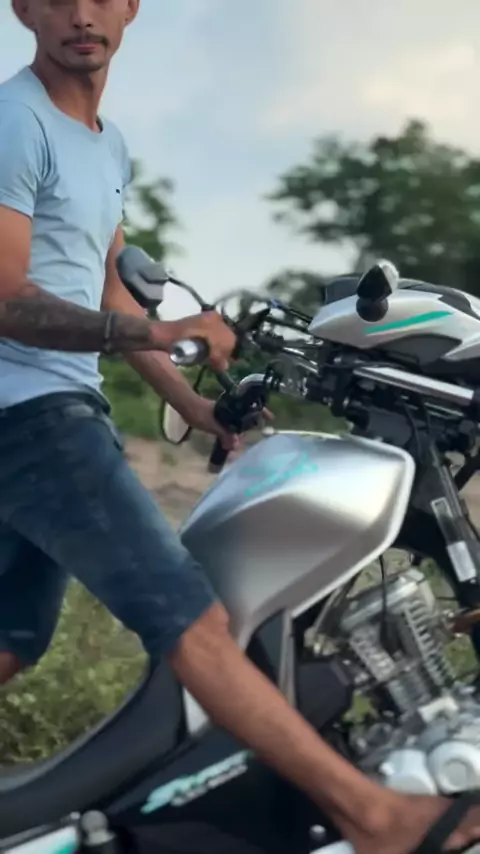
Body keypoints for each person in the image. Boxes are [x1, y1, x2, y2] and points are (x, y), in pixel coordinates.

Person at [0, 3, 479, 853]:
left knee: (14, 636)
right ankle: (374, 818)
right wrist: (159, 329)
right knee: (192, 619)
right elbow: (8, 299)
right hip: (28, 412)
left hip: (53, 402)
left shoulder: (105, 144)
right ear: (20, 8)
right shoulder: (14, 121)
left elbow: (107, 287)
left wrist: (195, 407)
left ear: (132, 7)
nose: (81, 14)